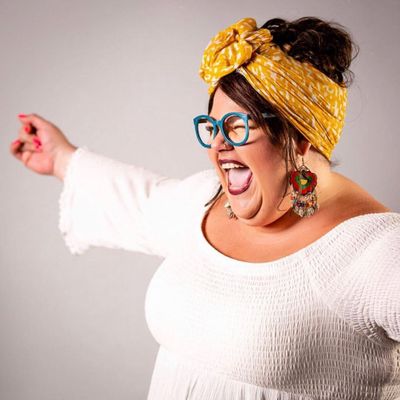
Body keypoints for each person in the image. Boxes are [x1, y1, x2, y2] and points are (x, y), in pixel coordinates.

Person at [9, 16, 400, 400]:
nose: (217, 145)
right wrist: (60, 158)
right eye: (212, 127)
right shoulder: (209, 200)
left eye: (237, 126)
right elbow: (145, 202)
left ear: (300, 136)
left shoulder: (380, 251)